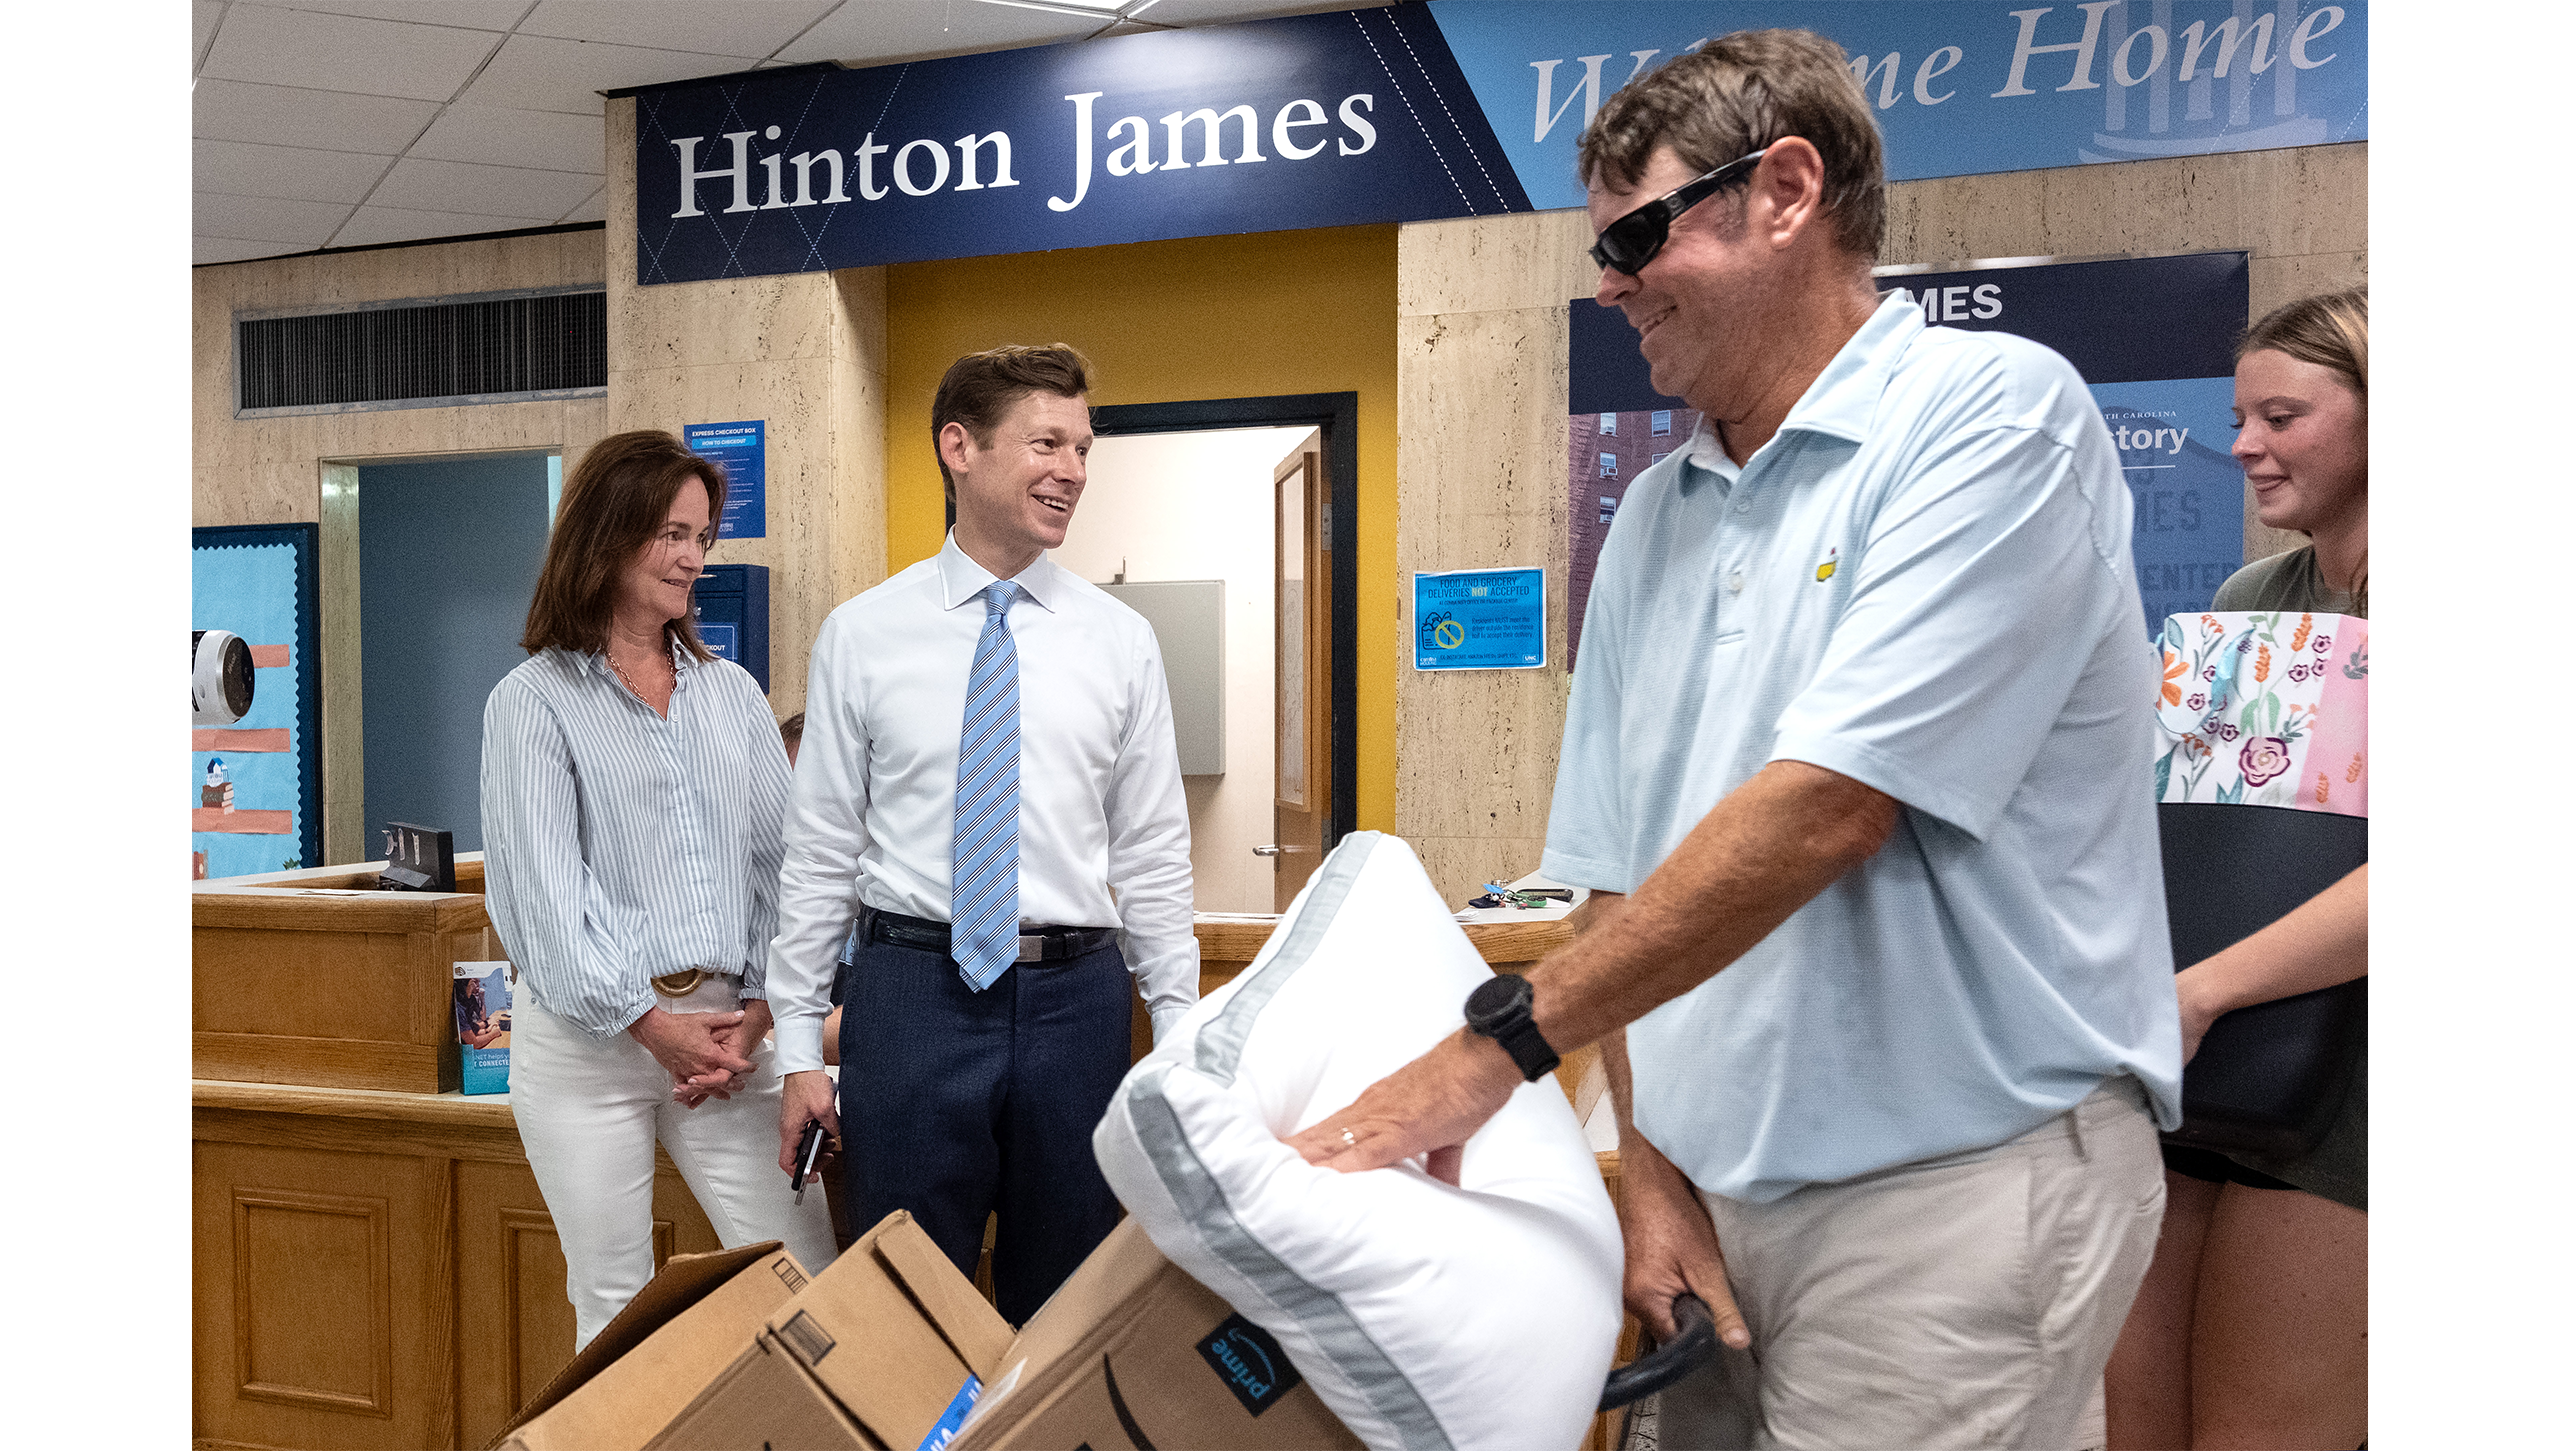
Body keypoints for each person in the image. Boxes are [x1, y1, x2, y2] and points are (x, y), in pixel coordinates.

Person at [1283, 31, 2183, 1449]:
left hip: (1946, 1195)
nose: (1611, 280)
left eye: (1638, 231)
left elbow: (1831, 807)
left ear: (1785, 190)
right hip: (1705, 1195)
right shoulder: (1656, 511)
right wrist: (1642, 1163)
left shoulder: (1993, 420)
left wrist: (1492, 1052)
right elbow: (1613, 868)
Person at [767, 344, 1197, 1324]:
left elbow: (1153, 852)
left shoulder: (1117, 641)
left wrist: (1177, 1033)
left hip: (1078, 1004)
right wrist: (797, 1046)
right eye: (1047, 441)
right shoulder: (862, 635)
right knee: (905, 1303)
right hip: (912, 1000)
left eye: (1083, 447)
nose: (1074, 470)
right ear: (958, 446)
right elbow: (821, 851)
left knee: (1069, 1303)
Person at [481, 429, 836, 1350]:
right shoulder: (532, 702)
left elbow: (783, 862)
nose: (693, 558)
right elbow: (545, 901)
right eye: (672, 534)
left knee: (808, 1273)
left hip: (728, 1036)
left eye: (702, 537)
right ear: (607, 536)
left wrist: (760, 1011)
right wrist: (649, 1024)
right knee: (614, 1305)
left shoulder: (733, 695)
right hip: (586, 1045)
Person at [2104, 289, 2369, 1451]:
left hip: (2354, 1095)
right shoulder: (2248, 604)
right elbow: (2198, 833)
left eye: (2281, 415)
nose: (2243, 445)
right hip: (2209, 1068)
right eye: (2238, 414)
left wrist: (2203, 990)